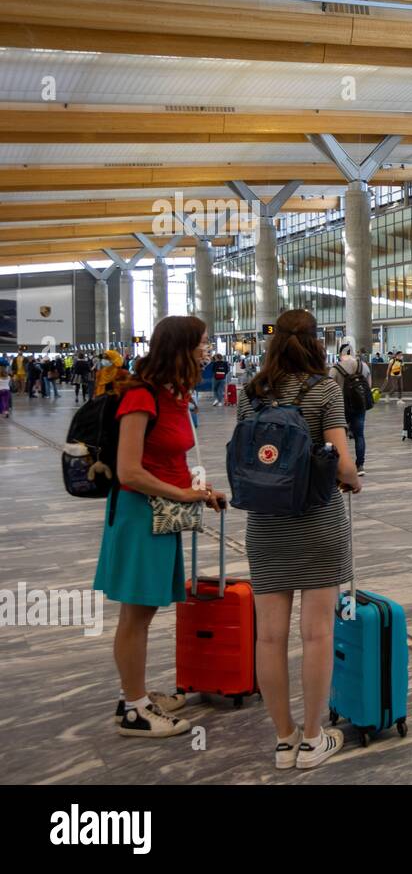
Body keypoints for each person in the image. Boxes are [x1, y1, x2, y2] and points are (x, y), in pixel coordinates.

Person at [237, 309, 361, 771]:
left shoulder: (253, 393)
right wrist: (354, 480)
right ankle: (313, 739)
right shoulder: (323, 389)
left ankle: (284, 738)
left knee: (268, 637)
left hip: (265, 524)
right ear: (315, 342)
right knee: (317, 633)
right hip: (316, 521)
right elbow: (342, 463)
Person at [94, 316, 225, 739]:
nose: (208, 350)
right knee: (135, 614)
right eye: (202, 343)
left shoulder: (176, 395)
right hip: (138, 514)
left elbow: (168, 460)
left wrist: (198, 489)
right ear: (181, 347)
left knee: (143, 612)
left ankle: (136, 694)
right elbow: (128, 471)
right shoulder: (141, 396)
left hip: (159, 511)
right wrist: (183, 494)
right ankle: (133, 709)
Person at [330, 342, 371, 477]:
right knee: (359, 435)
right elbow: (368, 386)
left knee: (340, 436)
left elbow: (330, 389)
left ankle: (341, 465)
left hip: (341, 407)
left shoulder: (335, 369)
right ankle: (360, 465)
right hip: (359, 406)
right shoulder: (363, 366)